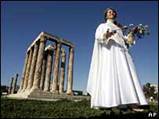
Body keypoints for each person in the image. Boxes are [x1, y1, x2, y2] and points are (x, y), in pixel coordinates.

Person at [86, 8, 148, 111]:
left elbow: (127, 41)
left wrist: (132, 34)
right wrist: (106, 35)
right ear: (106, 15)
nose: (111, 13)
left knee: (126, 74)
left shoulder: (119, 28)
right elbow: (98, 37)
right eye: (109, 12)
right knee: (110, 74)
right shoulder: (102, 26)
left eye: (113, 12)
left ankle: (131, 102)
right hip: (110, 52)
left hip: (121, 53)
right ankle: (111, 101)